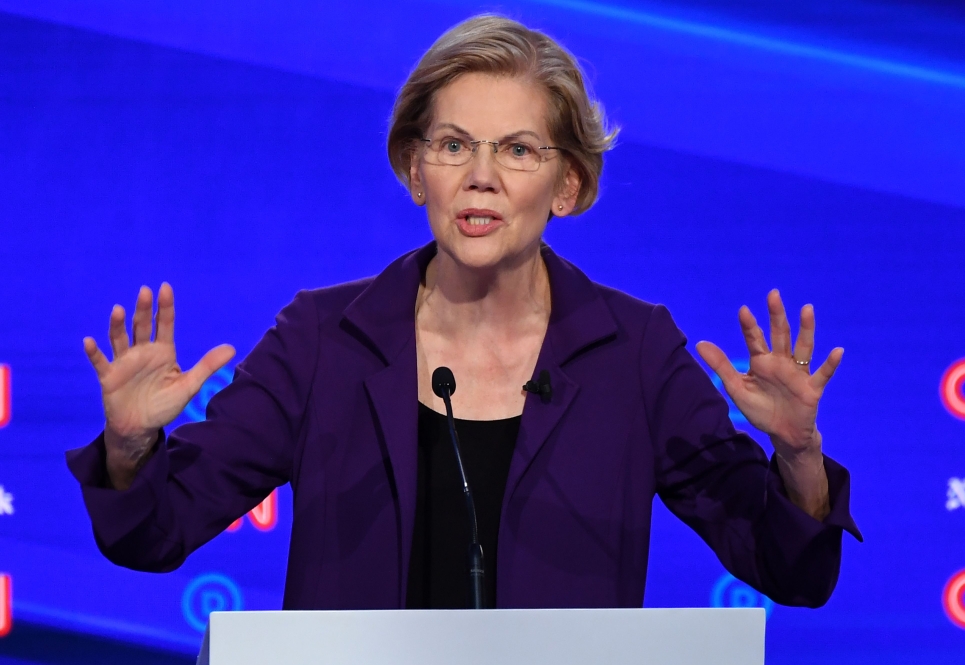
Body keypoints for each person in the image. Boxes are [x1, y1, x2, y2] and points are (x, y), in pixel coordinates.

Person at [67, 14, 861, 611]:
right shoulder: (321, 342)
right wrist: (131, 450)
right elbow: (153, 534)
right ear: (417, 171)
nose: (481, 176)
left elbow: (789, 569)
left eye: (517, 149)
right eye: (453, 145)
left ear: (567, 186)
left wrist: (798, 456)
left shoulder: (635, 354)